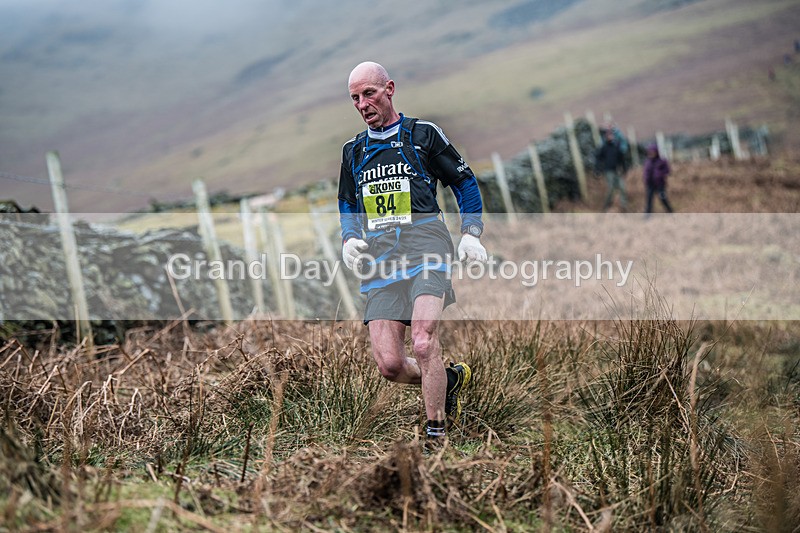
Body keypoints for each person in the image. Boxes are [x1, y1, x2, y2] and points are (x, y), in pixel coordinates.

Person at [338, 61, 487, 441]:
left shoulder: (423, 134)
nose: (362, 104)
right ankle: (449, 379)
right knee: (389, 365)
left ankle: (436, 434)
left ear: (389, 89)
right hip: (380, 256)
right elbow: (347, 202)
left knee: (423, 342)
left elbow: (464, 182)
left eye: (368, 94)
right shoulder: (353, 151)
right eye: (355, 98)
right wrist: (350, 238)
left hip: (426, 244)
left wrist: (470, 232)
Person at [595, 127, 628, 211]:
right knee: (610, 189)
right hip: (608, 171)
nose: (610, 137)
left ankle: (623, 206)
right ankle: (606, 206)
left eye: (611, 135)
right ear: (606, 137)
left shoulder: (617, 147)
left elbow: (622, 159)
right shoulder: (603, 147)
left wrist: (624, 169)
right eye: (608, 135)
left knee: (622, 187)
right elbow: (598, 159)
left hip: (617, 171)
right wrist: (598, 170)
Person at [643, 143, 674, 216]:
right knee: (649, 199)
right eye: (650, 152)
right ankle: (648, 214)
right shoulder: (647, 162)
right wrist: (645, 178)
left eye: (653, 152)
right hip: (650, 184)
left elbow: (668, 171)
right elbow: (645, 171)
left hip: (660, 184)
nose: (651, 153)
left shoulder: (662, 161)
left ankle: (670, 211)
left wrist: (660, 174)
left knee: (663, 198)